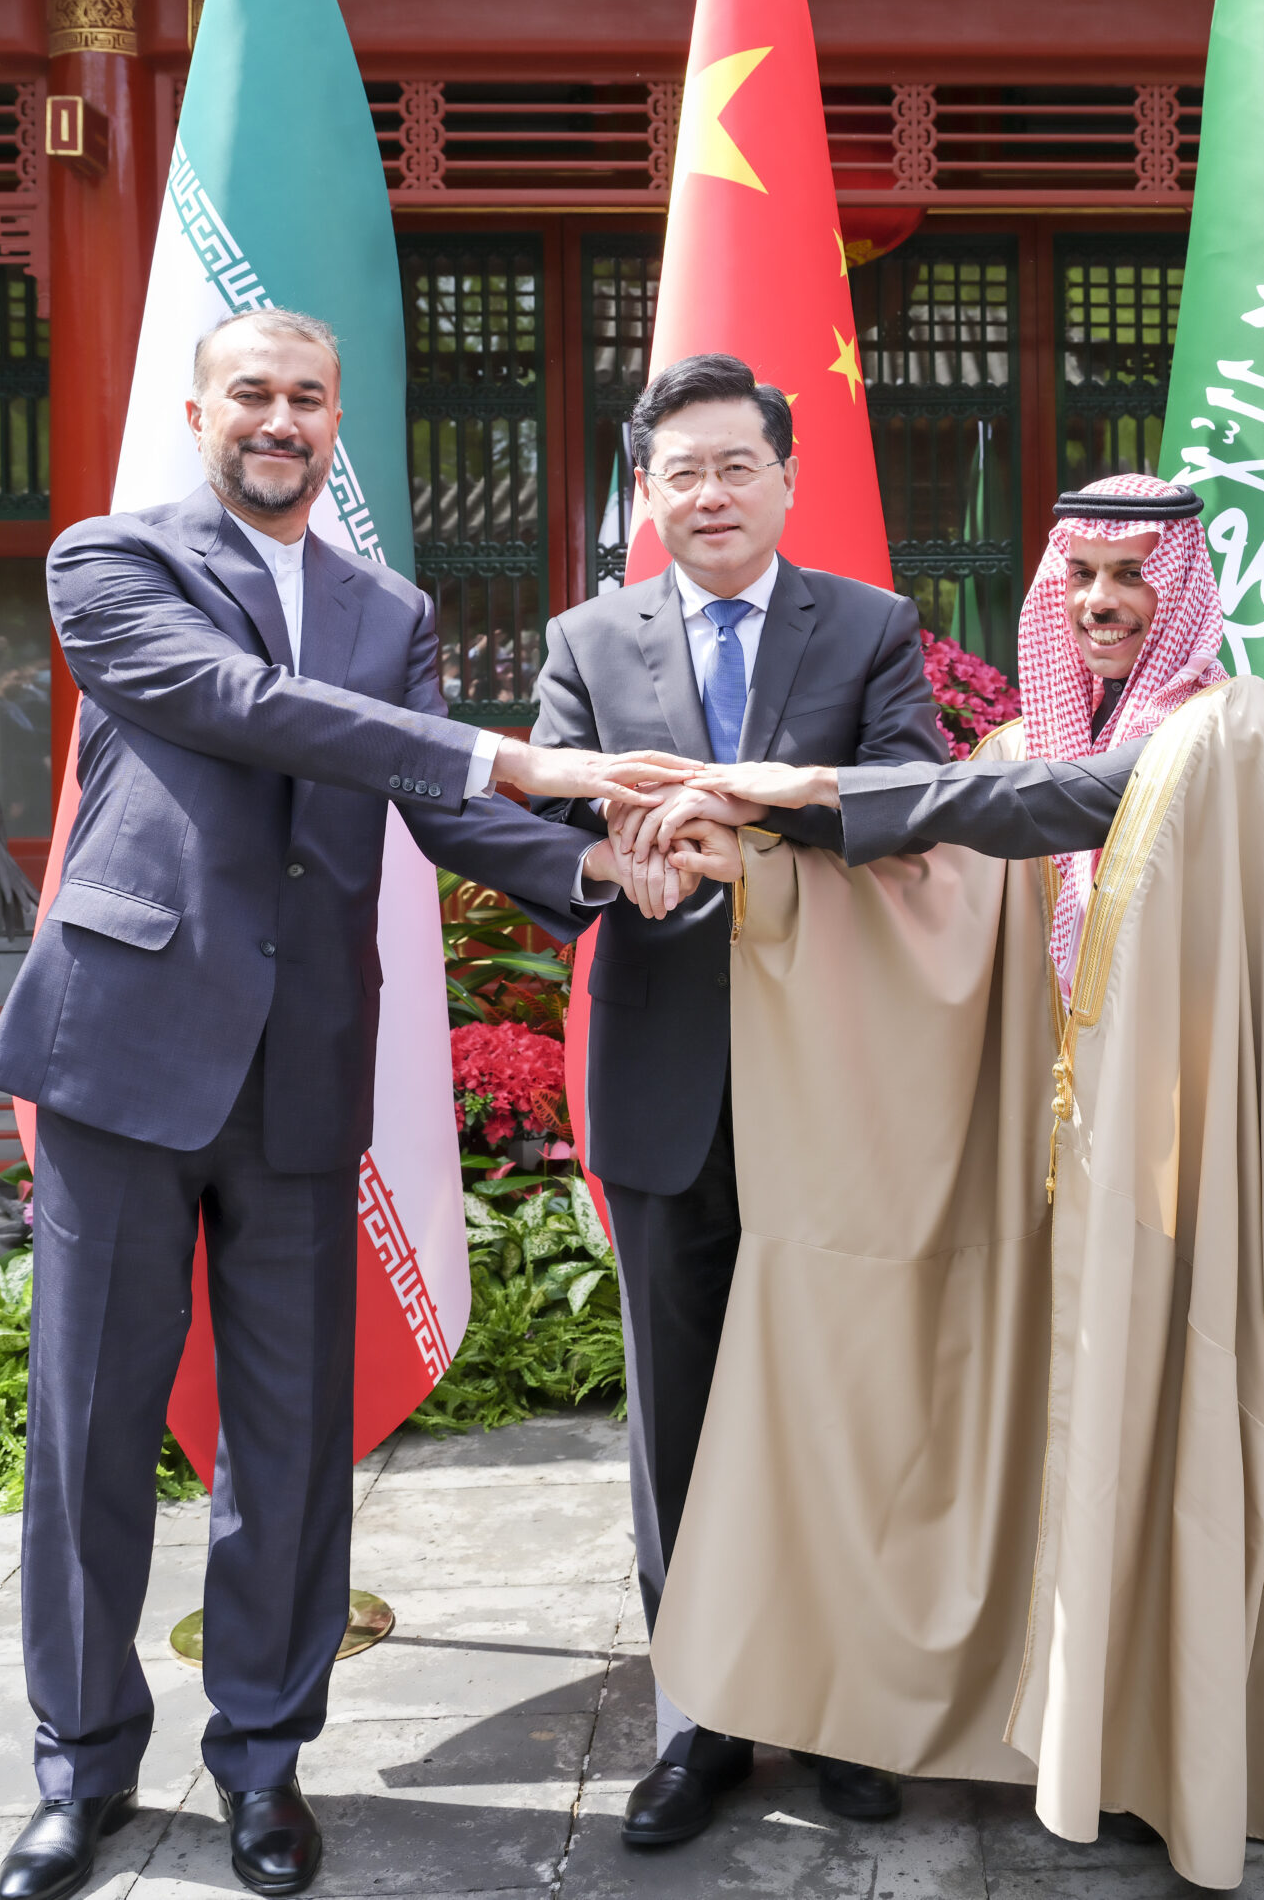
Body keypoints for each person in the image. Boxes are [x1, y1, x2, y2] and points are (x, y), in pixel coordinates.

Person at [651, 473, 1264, 1890]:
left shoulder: (1228, 730)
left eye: (1130, 578)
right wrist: (773, 864)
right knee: (1093, 1455)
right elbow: (945, 900)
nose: (1099, 604)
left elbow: (1076, 799)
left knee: (1210, 1445)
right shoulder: (1025, 739)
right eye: (1077, 579)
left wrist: (820, 788)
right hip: (1072, 1194)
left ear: (1183, 589)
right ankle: (1110, 1734)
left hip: (1204, 1179)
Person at [0, 307, 691, 1900]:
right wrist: (518, 755)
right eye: (254, 393)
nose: (281, 418)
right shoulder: (114, 561)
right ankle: (80, 1769)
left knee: (288, 1446)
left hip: (306, 1059)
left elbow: (438, 808)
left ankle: (263, 1761)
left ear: (336, 417)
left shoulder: (389, 607)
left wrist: (598, 866)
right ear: (199, 407)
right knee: (90, 1428)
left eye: (309, 396)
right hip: (127, 1044)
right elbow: (243, 706)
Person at [525, 350, 948, 1848]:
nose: (709, 492)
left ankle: (838, 1705)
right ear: (647, 495)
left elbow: (912, 795)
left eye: (735, 465)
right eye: (680, 471)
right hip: (662, 1077)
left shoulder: (870, 627)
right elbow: (543, 817)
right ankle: (699, 1715)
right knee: (682, 1415)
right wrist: (600, 862)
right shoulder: (588, 638)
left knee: (833, 1398)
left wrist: (750, 803)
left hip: (829, 1075)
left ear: (786, 478)